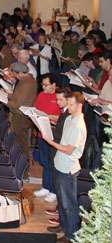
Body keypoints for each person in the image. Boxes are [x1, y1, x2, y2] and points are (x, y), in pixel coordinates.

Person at [43, 92, 87, 243]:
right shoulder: (69, 118)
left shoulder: (79, 125)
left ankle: (71, 235)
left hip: (68, 168)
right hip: (59, 163)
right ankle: (63, 225)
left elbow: (69, 149)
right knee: (62, 200)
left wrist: (50, 142)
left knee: (69, 204)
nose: (67, 107)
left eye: (71, 104)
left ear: (80, 105)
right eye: (67, 104)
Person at [32, 74, 62, 203]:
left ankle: (54, 190)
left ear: (54, 85)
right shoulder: (41, 95)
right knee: (44, 161)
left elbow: (63, 116)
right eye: (42, 85)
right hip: (42, 133)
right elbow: (37, 110)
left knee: (53, 163)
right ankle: (46, 186)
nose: (43, 87)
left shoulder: (60, 97)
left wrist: (49, 116)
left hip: (54, 135)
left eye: (46, 85)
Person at [5, 62, 38, 157]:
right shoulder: (26, 80)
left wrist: (4, 101)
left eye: (14, 74)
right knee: (18, 141)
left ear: (21, 73)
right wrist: (6, 95)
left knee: (21, 142)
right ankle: (19, 162)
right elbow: (17, 96)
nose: (14, 76)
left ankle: (23, 168)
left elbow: (16, 103)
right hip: (20, 114)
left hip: (21, 116)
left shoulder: (27, 83)